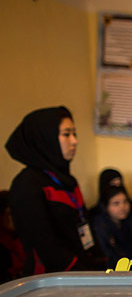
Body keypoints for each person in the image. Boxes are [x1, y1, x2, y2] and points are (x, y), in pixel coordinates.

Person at [4, 106, 101, 274]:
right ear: (44, 138)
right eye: (66, 134)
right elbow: (44, 245)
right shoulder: (27, 184)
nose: (74, 141)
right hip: (51, 280)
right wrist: (81, 273)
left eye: (74, 134)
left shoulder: (67, 180)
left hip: (81, 272)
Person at [91, 185, 132, 269]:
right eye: (116, 203)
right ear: (105, 207)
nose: (123, 207)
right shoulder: (99, 226)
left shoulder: (130, 221)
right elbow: (109, 258)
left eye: (125, 201)